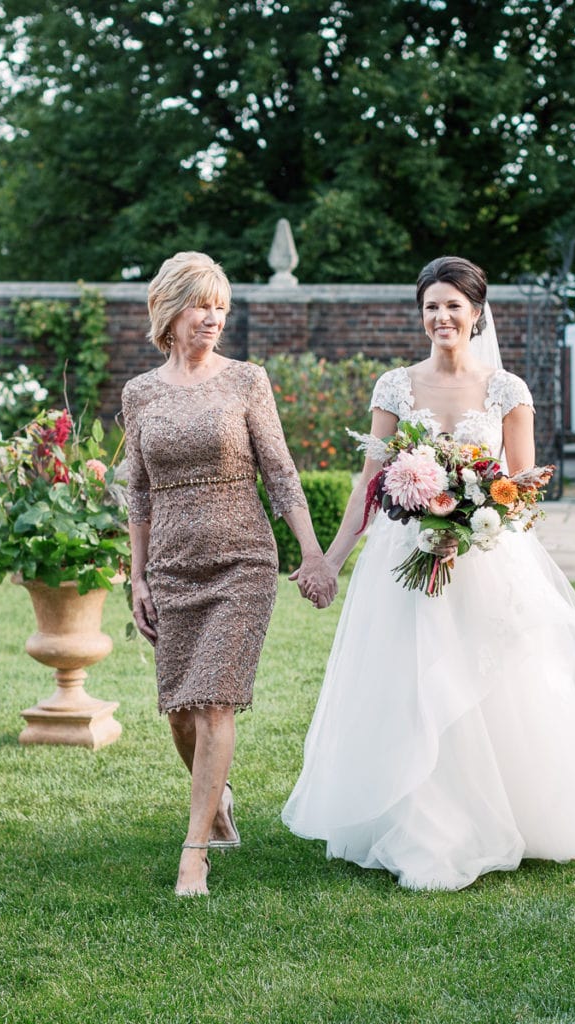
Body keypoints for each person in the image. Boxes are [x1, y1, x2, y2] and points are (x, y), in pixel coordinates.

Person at [283, 255, 575, 891]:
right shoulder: (395, 387)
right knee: (411, 685)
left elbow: (523, 488)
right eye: (431, 306)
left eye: (452, 306)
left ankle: (517, 813)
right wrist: (331, 556)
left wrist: (477, 513)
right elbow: (371, 482)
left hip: (484, 558)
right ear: (421, 314)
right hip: (404, 560)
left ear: (476, 312)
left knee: (490, 688)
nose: (441, 317)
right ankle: (416, 820)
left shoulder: (507, 391)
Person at [122, 251, 335, 897]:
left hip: (242, 558)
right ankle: (216, 801)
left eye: (221, 306)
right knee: (180, 712)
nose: (213, 317)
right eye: (201, 305)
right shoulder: (140, 393)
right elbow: (137, 493)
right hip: (171, 567)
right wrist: (136, 578)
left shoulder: (246, 380)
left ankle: (196, 852)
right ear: (169, 310)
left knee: (213, 700)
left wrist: (312, 552)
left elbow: (279, 471)